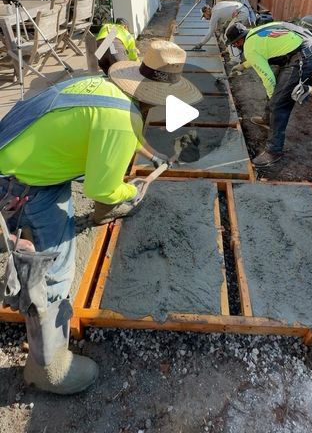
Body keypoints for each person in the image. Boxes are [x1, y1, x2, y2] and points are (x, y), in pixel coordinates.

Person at [0, 40, 202, 395]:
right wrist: (132, 191)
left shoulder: (101, 87)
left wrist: (151, 155)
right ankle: (48, 369)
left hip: (20, 158)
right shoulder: (120, 121)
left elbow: (120, 128)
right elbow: (101, 190)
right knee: (51, 271)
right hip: (23, 185)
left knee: (46, 249)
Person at [225, 20, 312, 167]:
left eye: (234, 44)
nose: (235, 47)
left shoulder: (250, 48)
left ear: (238, 42)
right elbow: (262, 53)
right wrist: (243, 65)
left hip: (304, 56)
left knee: (279, 103)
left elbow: (268, 78)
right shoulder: (254, 34)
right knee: (276, 91)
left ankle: (274, 151)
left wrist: (274, 100)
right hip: (303, 44)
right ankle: (267, 119)